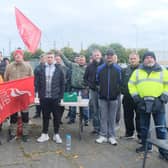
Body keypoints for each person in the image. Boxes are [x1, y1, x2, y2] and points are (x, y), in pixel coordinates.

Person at [128, 51, 168, 160]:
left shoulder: (163, 71)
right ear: (143, 59)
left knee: (161, 128)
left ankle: (164, 152)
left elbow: (167, 85)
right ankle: (146, 146)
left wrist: (163, 99)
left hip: (158, 103)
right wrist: (137, 99)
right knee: (144, 127)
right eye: (147, 58)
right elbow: (131, 85)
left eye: (151, 57)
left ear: (154, 59)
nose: (149, 59)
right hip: (143, 103)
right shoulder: (137, 72)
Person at [4, 48, 33, 142]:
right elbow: (6, 78)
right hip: (13, 95)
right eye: (16, 55)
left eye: (19, 55)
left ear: (22, 56)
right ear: (14, 56)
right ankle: (12, 133)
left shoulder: (28, 66)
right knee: (13, 116)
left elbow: (31, 78)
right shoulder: (9, 66)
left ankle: (25, 134)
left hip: (24, 95)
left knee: (25, 115)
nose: (17, 56)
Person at [37, 52, 65, 143]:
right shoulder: (41, 68)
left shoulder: (59, 69)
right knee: (45, 116)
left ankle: (56, 134)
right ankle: (44, 134)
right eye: (48, 57)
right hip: (44, 97)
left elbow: (62, 84)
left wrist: (60, 96)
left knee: (56, 117)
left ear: (54, 58)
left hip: (55, 97)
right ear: (45, 58)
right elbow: (37, 82)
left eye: (51, 57)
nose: (49, 59)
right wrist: (39, 94)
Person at [95, 49, 122, 145]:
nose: (109, 57)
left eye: (111, 55)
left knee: (112, 118)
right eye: (108, 55)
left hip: (114, 98)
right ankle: (102, 135)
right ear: (105, 56)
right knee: (103, 117)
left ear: (114, 56)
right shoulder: (100, 68)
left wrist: (116, 92)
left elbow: (120, 82)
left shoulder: (118, 68)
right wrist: (100, 91)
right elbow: (97, 81)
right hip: (102, 97)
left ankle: (112, 136)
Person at [61, 53, 89, 126]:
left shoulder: (88, 68)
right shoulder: (74, 65)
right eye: (80, 60)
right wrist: (61, 54)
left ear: (85, 60)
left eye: (82, 60)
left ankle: (86, 120)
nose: (81, 61)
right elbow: (66, 62)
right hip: (74, 89)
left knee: (85, 106)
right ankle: (72, 119)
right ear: (78, 60)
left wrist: (87, 87)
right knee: (72, 105)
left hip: (84, 90)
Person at [121, 53, 141, 140]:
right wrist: (123, 91)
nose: (132, 60)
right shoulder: (125, 70)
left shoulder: (142, 70)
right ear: (128, 60)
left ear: (138, 59)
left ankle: (140, 136)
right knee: (127, 117)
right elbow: (121, 82)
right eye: (131, 59)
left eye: (134, 58)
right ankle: (129, 134)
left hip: (138, 98)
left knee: (139, 118)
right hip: (127, 98)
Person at [84, 49, 104, 134]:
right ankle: (96, 128)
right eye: (95, 55)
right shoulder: (89, 66)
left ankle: (103, 129)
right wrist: (90, 85)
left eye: (98, 55)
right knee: (95, 110)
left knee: (103, 110)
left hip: (104, 91)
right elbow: (85, 78)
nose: (97, 56)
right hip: (93, 91)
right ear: (92, 56)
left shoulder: (105, 65)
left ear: (101, 55)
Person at [33, 53, 47, 119]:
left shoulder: (48, 67)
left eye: (44, 58)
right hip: (38, 87)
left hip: (46, 87)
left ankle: (47, 114)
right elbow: (34, 77)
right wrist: (35, 86)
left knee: (46, 101)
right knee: (38, 100)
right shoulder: (37, 67)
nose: (43, 59)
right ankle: (38, 113)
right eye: (41, 58)